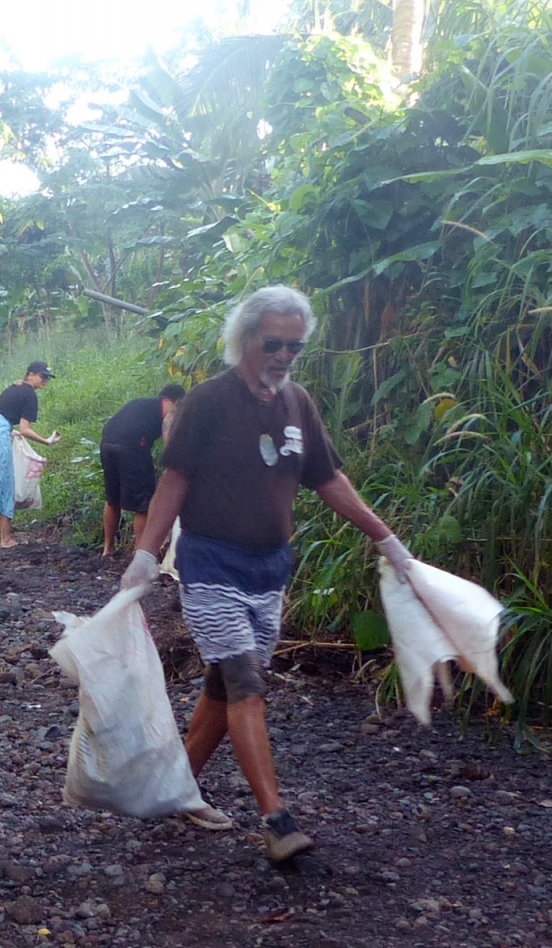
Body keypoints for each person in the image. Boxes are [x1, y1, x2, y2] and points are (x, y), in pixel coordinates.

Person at [121, 285, 419, 861]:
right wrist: (147, 553)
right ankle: (276, 819)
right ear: (246, 341)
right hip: (210, 564)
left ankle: (174, 788)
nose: (284, 355)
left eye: (295, 346)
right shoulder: (207, 402)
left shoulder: (297, 403)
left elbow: (326, 478)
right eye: (274, 343)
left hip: (269, 571)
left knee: (223, 682)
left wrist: (385, 537)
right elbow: (174, 481)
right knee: (246, 681)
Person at [0, 362, 60, 548]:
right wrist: (46, 441)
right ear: (31, 374)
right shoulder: (29, 394)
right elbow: (26, 429)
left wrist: (9, 431)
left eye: (47, 377)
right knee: (6, 483)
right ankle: (5, 538)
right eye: (43, 376)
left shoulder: (15, 387)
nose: (45, 380)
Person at [99, 384, 185, 558]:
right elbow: (170, 439)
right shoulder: (170, 407)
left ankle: (108, 548)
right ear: (178, 400)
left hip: (107, 444)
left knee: (112, 499)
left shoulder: (142, 402)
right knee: (143, 504)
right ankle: (141, 554)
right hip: (132, 447)